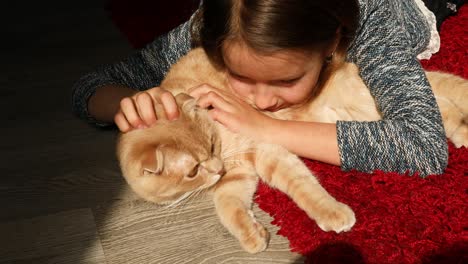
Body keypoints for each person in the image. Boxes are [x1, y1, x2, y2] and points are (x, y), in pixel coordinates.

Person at [72, 0, 448, 176]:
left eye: (286, 80)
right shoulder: (216, 22)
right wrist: (130, 102)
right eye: (240, 76)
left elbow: (422, 146)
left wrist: (266, 128)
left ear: (332, 43)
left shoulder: (370, 25)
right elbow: (89, 87)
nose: (263, 100)